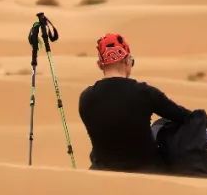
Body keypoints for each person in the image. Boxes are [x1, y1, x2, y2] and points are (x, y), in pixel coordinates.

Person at [78, 33, 191, 173]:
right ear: (127, 60)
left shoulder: (86, 98)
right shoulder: (145, 93)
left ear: (100, 65)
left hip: (101, 172)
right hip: (149, 172)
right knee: (163, 126)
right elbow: (186, 117)